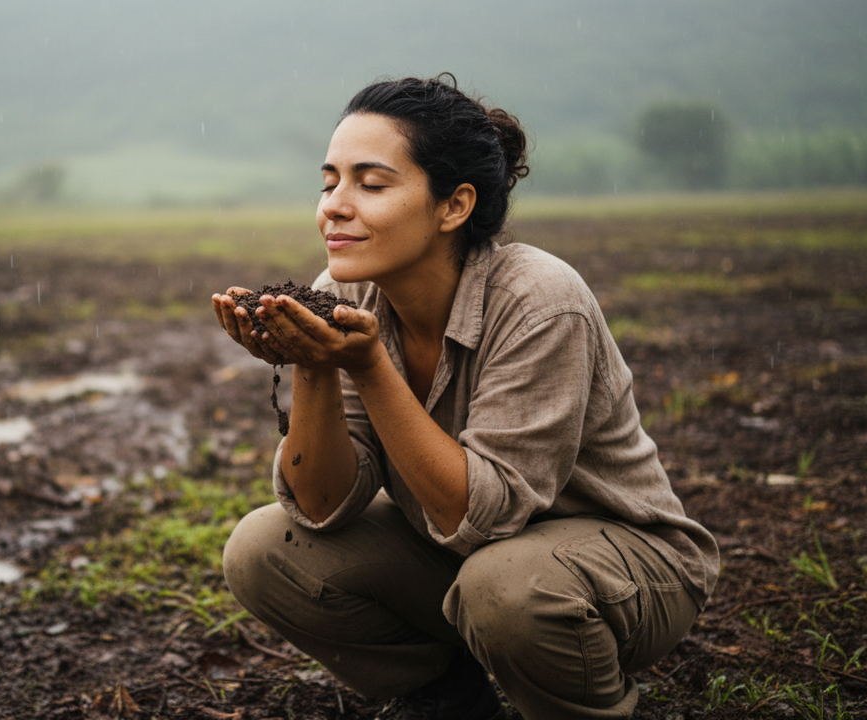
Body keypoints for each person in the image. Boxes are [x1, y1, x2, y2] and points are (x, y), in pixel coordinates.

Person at [211, 74, 718, 720]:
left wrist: (366, 364)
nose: (334, 205)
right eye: (328, 180)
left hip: (626, 565)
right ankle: (447, 695)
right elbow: (323, 506)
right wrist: (313, 366)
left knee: (503, 586)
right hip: (470, 560)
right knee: (264, 550)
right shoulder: (345, 295)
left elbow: (485, 513)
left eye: (370, 184)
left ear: (453, 207)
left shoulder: (539, 300)